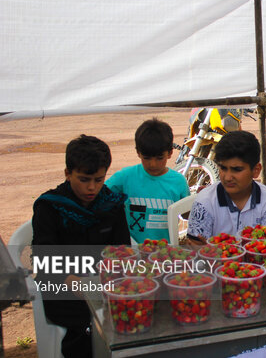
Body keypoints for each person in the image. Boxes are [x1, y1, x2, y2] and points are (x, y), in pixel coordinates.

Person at [32, 134, 130, 358]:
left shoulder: (112, 205)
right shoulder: (49, 207)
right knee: (85, 333)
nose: (92, 187)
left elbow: (122, 251)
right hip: (63, 288)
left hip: (103, 286)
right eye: (84, 179)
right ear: (68, 173)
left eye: (99, 179)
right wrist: (72, 281)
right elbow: (43, 257)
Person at [186, 130, 266, 243]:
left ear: (256, 170)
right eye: (223, 168)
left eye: (237, 170)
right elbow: (195, 246)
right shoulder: (205, 201)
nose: (227, 177)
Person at [106, 118, 189, 243]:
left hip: (165, 253)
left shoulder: (178, 182)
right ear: (138, 153)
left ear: (170, 153)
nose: (153, 164)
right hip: (132, 252)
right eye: (147, 158)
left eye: (159, 158)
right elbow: (100, 195)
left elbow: (187, 214)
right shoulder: (125, 177)